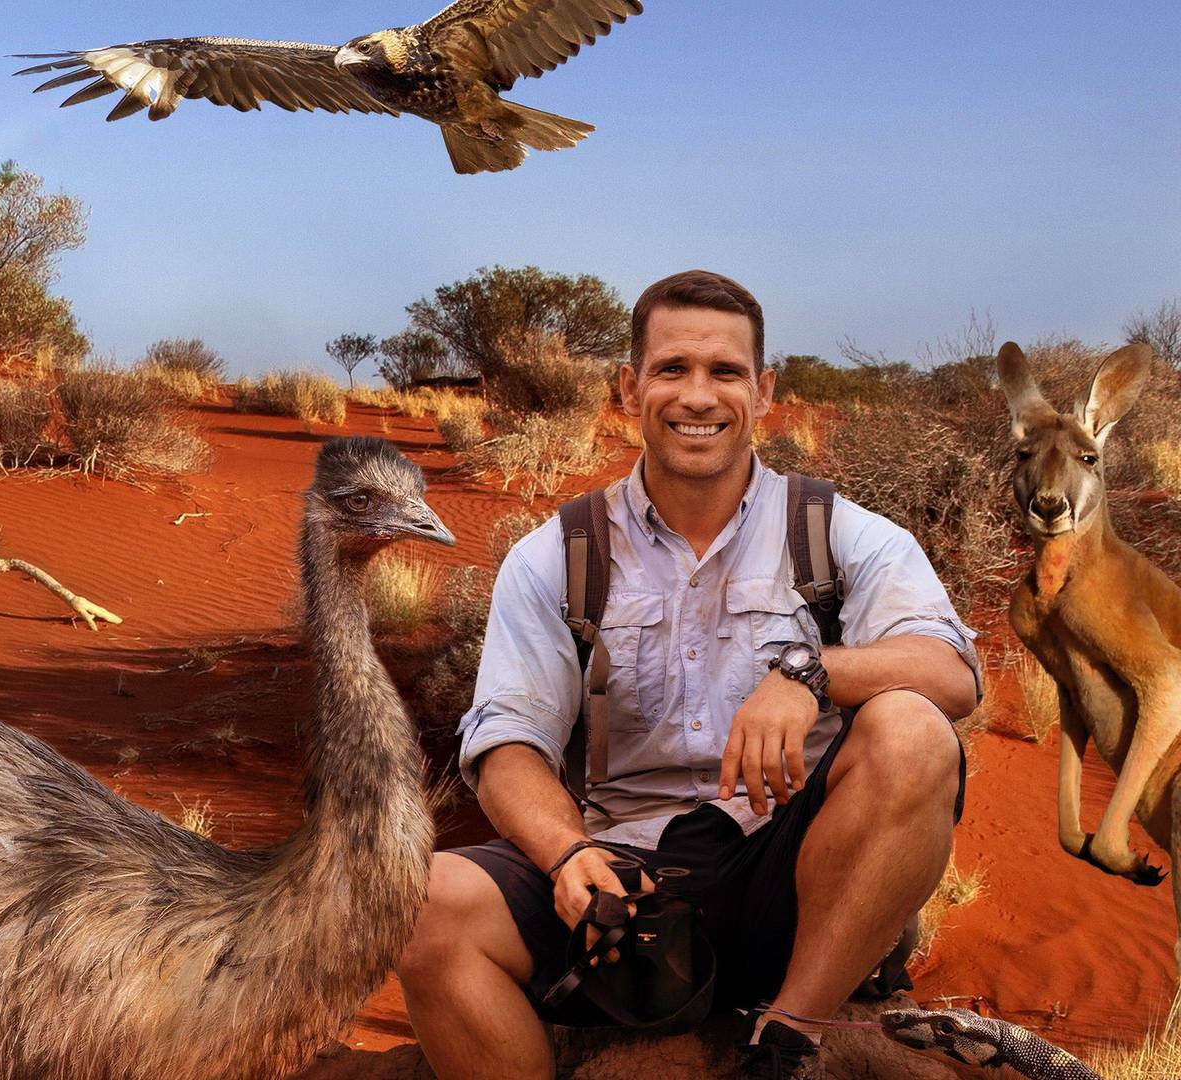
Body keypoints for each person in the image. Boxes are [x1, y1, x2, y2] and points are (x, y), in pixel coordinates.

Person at [397, 270, 980, 1079]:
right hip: (623, 892)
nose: (698, 397)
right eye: (672, 369)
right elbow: (507, 746)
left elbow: (950, 672)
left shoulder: (834, 532)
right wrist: (566, 855)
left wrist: (809, 672)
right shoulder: (557, 556)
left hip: (792, 876)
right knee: (420, 902)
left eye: (725, 372)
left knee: (912, 730)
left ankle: (787, 1041)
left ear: (764, 392)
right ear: (630, 389)